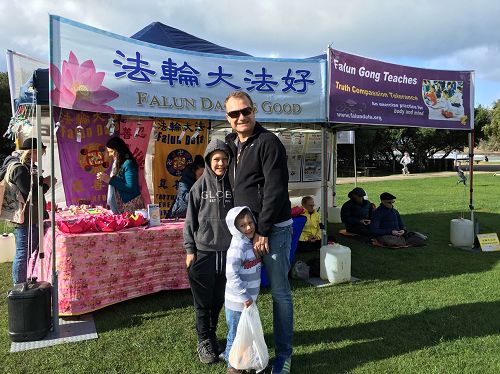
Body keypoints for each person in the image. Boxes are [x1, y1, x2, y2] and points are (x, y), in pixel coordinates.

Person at [224, 91, 293, 374]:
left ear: (254, 111)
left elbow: (276, 190)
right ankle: (240, 352)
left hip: (271, 230)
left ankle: (284, 355)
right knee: (242, 292)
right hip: (245, 231)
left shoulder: (268, 142)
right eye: (234, 114)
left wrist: (262, 230)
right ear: (227, 118)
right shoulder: (231, 144)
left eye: (246, 111)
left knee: (280, 293)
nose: (241, 117)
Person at [184, 139, 234, 364]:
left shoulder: (234, 184)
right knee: (203, 301)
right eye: (216, 159)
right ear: (208, 161)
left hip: (228, 253)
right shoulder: (199, 187)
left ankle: (212, 334)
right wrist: (190, 250)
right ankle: (203, 340)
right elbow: (189, 221)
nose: (220, 163)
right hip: (203, 253)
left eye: (224, 159)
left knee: (219, 299)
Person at [3, 138, 53, 284]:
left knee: (26, 251)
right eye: (41, 153)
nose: (41, 156)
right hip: (25, 217)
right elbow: (29, 192)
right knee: (23, 253)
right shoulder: (19, 168)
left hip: (31, 216)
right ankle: (18, 285)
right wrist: (47, 184)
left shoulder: (26, 166)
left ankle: (23, 279)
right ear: (33, 152)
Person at [224, 206, 262, 374]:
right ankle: (232, 367)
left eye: (250, 222)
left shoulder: (249, 243)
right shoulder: (237, 247)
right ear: (235, 228)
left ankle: (241, 361)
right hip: (237, 303)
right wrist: (244, 296)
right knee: (235, 335)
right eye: (243, 225)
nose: (248, 228)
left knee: (245, 334)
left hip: (248, 301)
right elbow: (231, 275)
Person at [96, 137, 144, 214]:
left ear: (118, 150)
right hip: (120, 206)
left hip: (130, 204)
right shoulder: (117, 163)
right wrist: (106, 178)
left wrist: (110, 180)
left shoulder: (129, 164)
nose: (109, 155)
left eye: (111, 152)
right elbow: (117, 180)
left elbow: (130, 187)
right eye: (108, 152)